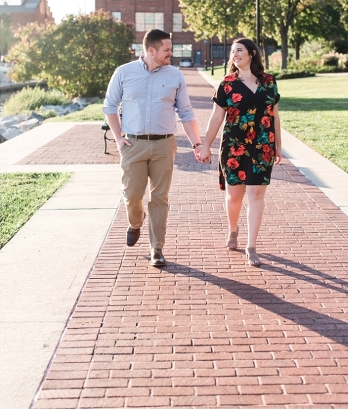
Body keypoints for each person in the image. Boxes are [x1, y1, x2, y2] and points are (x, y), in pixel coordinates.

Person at [103, 29, 204, 267]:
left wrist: (197, 144)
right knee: (132, 196)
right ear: (151, 51)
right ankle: (135, 223)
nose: (171, 53)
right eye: (167, 50)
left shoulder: (175, 76)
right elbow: (110, 106)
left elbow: (186, 112)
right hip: (133, 145)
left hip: (164, 145)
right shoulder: (124, 73)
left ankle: (156, 248)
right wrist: (118, 138)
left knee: (160, 198)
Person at [198, 38, 282, 267]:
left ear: (252, 53)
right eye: (232, 52)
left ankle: (251, 245)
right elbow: (216, 117)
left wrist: (278, 146)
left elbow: (274, 115)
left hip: (263, 145)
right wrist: (206, 145)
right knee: (234, 196)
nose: (234, 55)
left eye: (239, 50)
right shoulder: (226, 84)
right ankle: (233, 229)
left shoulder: (269, 82)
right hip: (235, 146)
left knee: (256, 194)